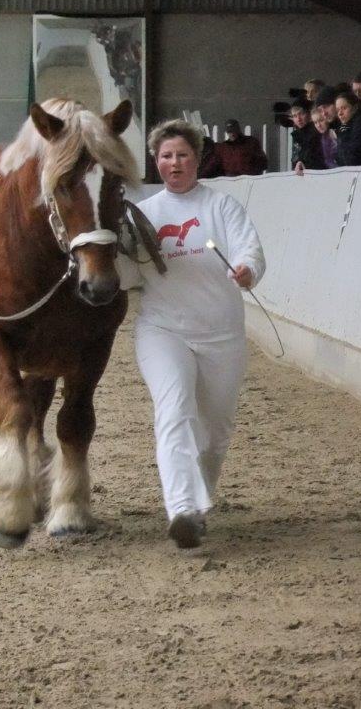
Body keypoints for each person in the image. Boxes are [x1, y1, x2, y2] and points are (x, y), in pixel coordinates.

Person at [133, 119, 266, 549]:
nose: (175, 163)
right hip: (163, 330)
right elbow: (121, 270)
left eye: (183, 155)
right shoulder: (145, 215)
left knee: (215, 430)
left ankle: (200, 503)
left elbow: (249, 248)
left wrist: (247, 270)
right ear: (157, 162)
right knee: (174, 409)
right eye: (166, 156)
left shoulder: (221, 207)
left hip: (221, 334)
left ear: (198, 159)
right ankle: (182, 510)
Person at [335, 90, 361, 166]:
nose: (340, 113)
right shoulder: (345, 126)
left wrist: (344, 132)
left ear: (355, 108)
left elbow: (352, 158)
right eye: (338, 110)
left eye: (344, 108)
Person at [289, 97, 326, 173]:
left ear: (309, 114)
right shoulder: (297, 136)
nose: (298, 119)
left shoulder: (317, 132)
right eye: (295, 116)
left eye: (301, 114)